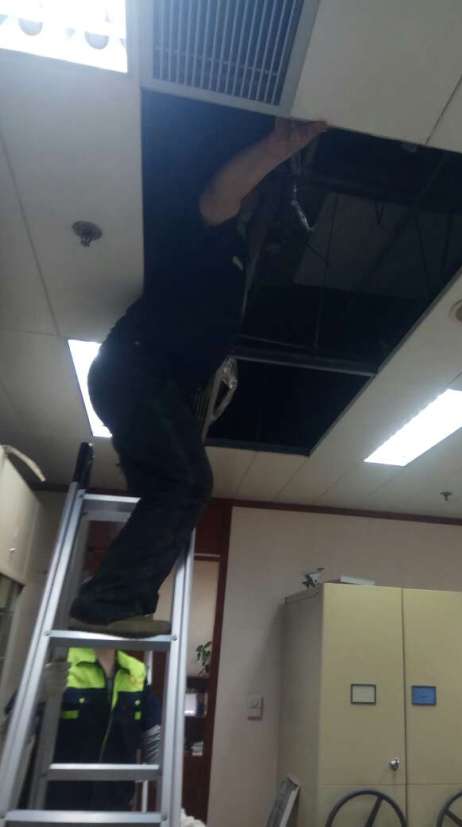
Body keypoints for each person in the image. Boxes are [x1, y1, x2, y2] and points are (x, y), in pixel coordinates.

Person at [69, 118, 325, 637]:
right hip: (135, 371)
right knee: (189, 483)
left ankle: (120, 598)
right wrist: (278, 147)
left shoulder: (234, 269)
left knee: (172, 488)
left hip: (145, 380)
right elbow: (218, 194)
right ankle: (107, 600)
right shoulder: (208, 236)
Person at [3, 648, 161, 811]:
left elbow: (155, 744)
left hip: (113, 810)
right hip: (49, 808)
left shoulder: (135, 671)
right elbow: (9, 738)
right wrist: (34, 694)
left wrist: (171, 802)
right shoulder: (59, 661)